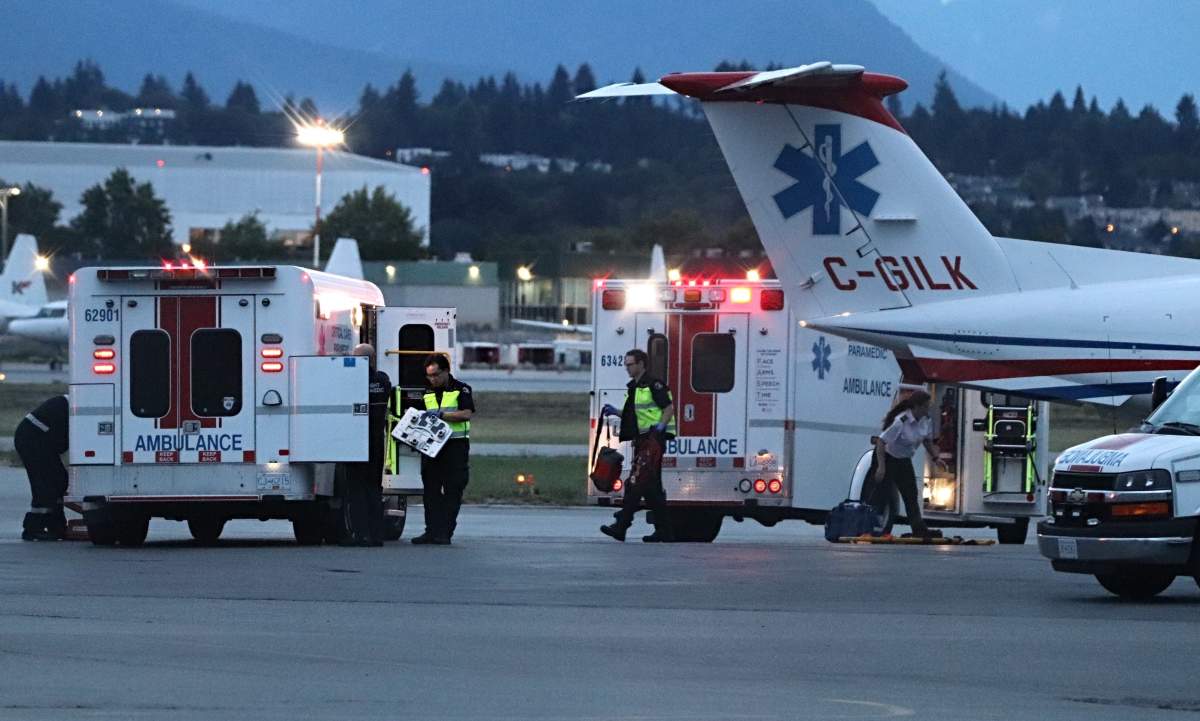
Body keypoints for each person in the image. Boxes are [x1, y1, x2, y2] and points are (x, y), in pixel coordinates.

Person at [600, 349, 676, 543]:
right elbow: (634, 414)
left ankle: (622, 526)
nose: (627, 368)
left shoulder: (653, 385)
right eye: (626, 364)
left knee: (635, 483)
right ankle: (665, 531)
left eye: (630, 364)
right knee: (652, 489)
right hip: (642, 441)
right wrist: (616, 412)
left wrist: (659, 428)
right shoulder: (635, 387)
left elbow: (668, 408)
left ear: (641, 364)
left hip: (652, 441)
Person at [412, 353, 474, 545]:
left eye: (436, 375)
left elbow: (466, 414)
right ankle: (431, 530)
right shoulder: (426, 392)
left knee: (452, 490)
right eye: (429, 376)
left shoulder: (461, 389)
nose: (433, 379)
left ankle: (445, 532)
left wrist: (442, 415)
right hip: (431, 448)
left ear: (446, 371)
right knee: (430, 491)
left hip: (455, 447)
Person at [867, 389, 942, 538]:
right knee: (882, 492)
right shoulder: (901, 421)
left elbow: (927, 440)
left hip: (903, 460)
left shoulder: (926, 421)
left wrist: (935, 457)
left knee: (911, 494)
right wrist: (881, 467)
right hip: (887, 457)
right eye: (925, 407)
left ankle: (918, 529)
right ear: (916, 406)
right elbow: (881, 442)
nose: (928, 410)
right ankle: (870, 526)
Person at [342, 343, 391, 546]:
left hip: (356, 441)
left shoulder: (353, 380)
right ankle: (376, 535)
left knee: (356, 491)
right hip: (377, 441)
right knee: (374, 489)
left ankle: (361, 535)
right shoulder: (383, 380)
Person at [16, 395, 69, 541]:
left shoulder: (67, 404)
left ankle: (56, 524)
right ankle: (33, 528)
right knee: (45, 483)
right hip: (32, 440)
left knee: (58, 479)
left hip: (37, 439)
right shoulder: (70, 409)